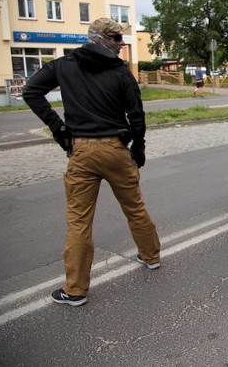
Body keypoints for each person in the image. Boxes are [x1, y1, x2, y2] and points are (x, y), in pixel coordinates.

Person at [22, 17, 161, 307]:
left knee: (78, 220)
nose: (121, 44)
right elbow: (136, 115)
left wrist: (59, 130)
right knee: (134, 206)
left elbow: (31, 91)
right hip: (115, 149)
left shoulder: (65, 64)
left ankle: (75, 290)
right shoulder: (121, 73)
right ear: (98, 37)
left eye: (121, 38)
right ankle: (151, 257)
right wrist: (139, 149)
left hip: (82, 151)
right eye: (115, 38)